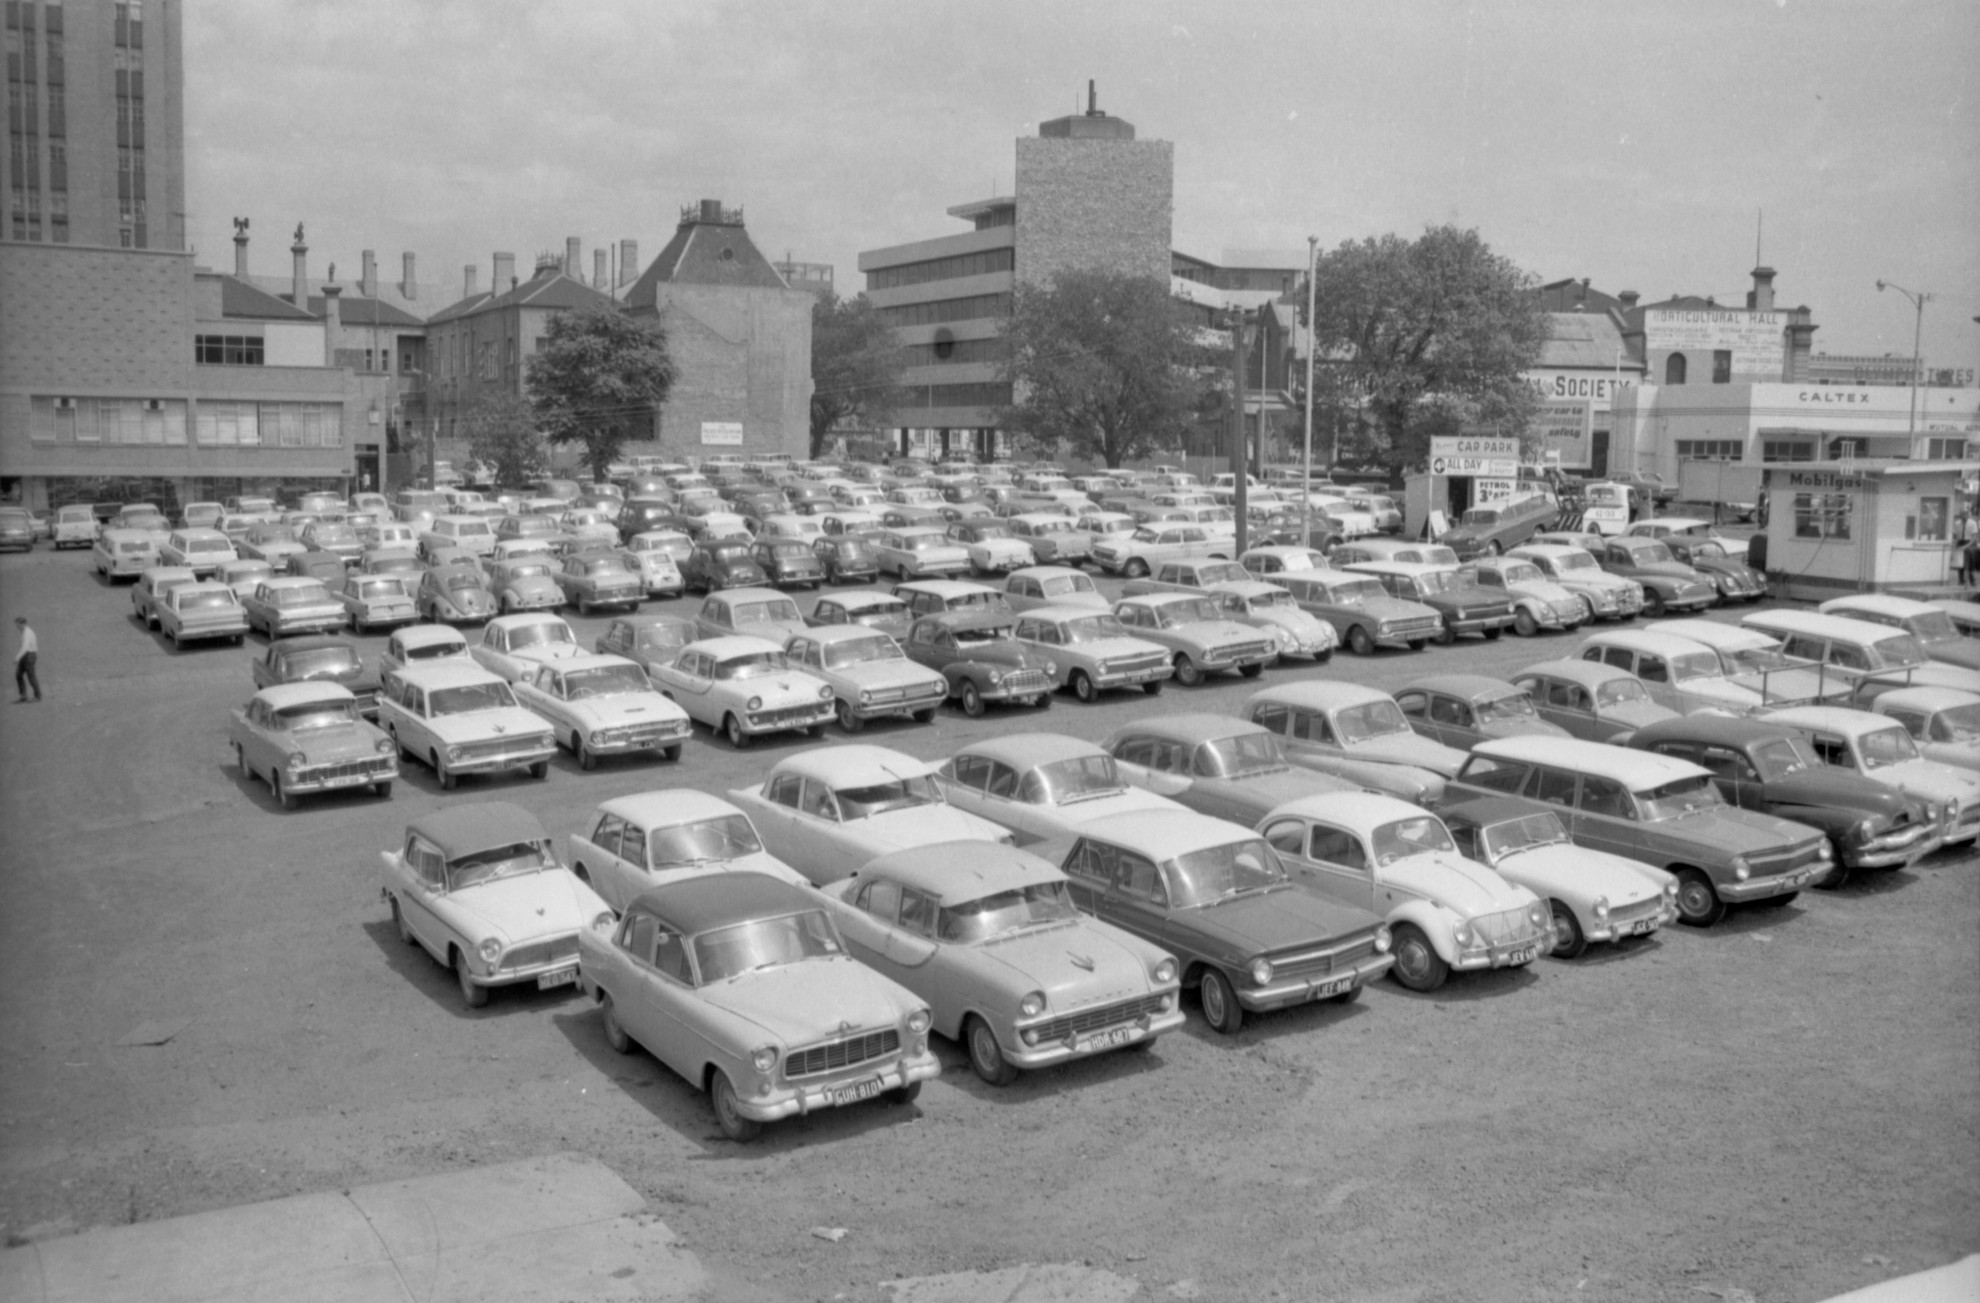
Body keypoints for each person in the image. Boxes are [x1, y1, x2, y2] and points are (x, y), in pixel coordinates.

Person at [14, 615, 40, 702]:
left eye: (18, 625)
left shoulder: (27, 633)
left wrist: (17, 657)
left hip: (29, 655)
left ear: (23, 624)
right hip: (26, 655)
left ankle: (37, 696)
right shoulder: (24, 632)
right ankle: (23, 696)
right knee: (18, 674)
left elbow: (25, 647)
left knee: (31, 676)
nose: (17, 627)